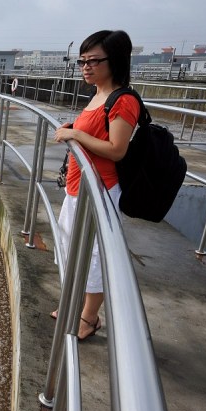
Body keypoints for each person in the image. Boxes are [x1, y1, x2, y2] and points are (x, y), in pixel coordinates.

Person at [51, 30, 140, 341]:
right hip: (79, 189)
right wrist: (74, 126)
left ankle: (89, 318)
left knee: (94, 256)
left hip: (100, 191)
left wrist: (75, 135)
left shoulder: (123, 100)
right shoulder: (98, 94)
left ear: (114, 61)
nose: (85, 67)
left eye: (93, 61)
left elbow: (117, 149)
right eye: (82, 61)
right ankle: (74, 304)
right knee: (71, 248)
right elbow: (95, 128)